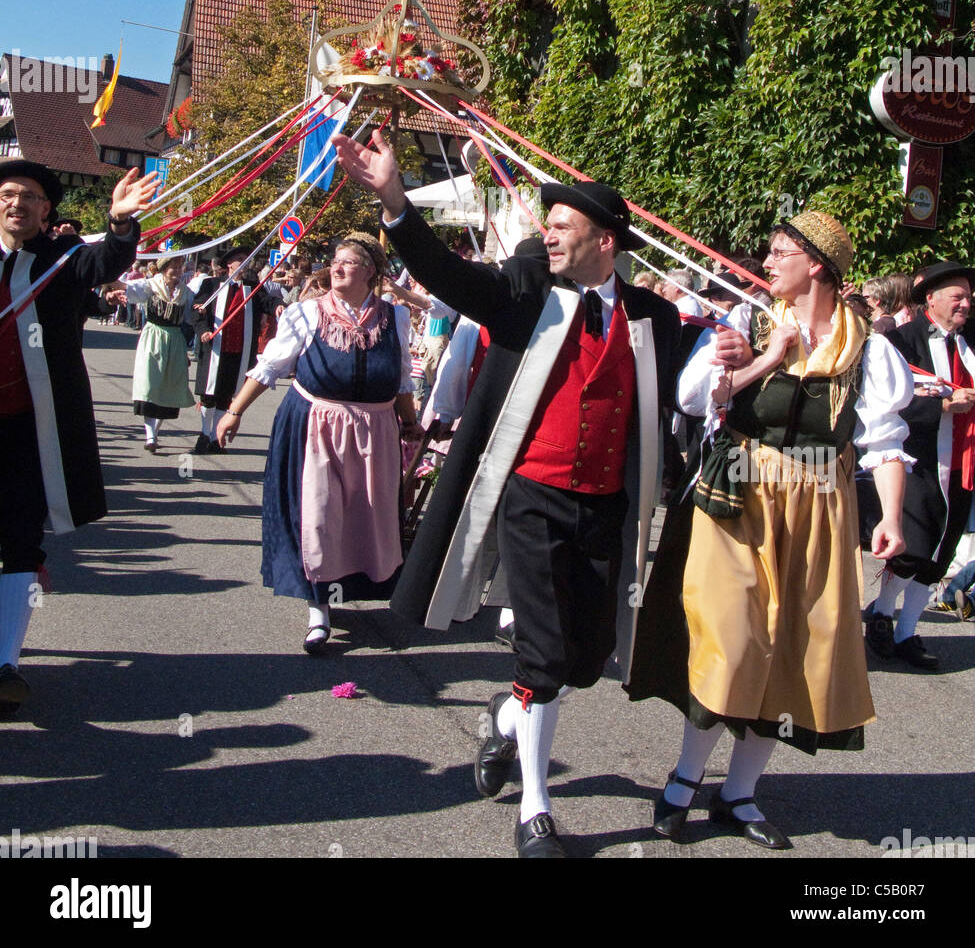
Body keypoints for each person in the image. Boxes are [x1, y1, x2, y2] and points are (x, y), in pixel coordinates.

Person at [333, 128, 681, 859]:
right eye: (547, 225)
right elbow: (450, 278)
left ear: (604, 242)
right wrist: (394, 200)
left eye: (561, 227)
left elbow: (682, 402)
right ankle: (535, 808)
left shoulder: (655, 318)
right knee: (544, 651)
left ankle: (504, 722)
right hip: (531, 496)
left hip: (607, 506)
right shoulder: (527, 295)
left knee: (584, 659)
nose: (546, 235)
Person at [626, 210, 912, 849]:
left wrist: (891, 518)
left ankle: (739, 794)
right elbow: (696, 398)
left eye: (782, 251)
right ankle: (683, 781)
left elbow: (885, 444)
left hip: (818, 505)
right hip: (739, 495)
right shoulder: (745, 323)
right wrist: (765, 360)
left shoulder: (870, 346)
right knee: (731, 637)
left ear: (818, 265)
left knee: (790, 646)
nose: (769, 260)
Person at [0, 158, 157, 714]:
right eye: (8, 194)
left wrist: (119, 223)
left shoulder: (62, 261)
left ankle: (6, 664)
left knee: (19, 538)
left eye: (30, 197)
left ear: (47, 211)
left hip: (30, 428)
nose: (17, 203)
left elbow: (106, 262)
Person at [215, 232, 417, 654]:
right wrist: (234, 411)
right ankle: (318, 611)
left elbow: (401, 379)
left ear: (371, 272)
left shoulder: (395, 318)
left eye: (348, 262)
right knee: (319, 515)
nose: (337, 267)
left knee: (364, 516)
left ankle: (353, 590)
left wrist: (411, 423)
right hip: (315, 426)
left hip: (374, 433)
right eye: (335, 260)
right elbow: (269, 366)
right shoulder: (307, 314)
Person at [871, 263, 975, 668]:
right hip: (920, 460)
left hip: (964, 460)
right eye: (957, 296)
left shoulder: (971, 339)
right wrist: (942, 405)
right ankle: (881, 615)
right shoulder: (901, 341)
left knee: (941, 551)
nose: (965, 303)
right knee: (913, 546)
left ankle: (907, 631)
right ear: (931, 299)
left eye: (968, 297)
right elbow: (886, 400)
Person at [190, 247, 267, 454]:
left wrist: (278, 306)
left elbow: (269, 302)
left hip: (239, 351)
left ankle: (215, 438)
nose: (244, 262)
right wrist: (204, 330)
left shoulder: (253, 287)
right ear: (229, 264)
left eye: (246, 259)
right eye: (239, 259)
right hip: (215, 350)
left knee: (225, 395)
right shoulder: (212, 285)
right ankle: (204, 434)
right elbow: (196, 312)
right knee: (209, 394)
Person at [125, 254, 195, 452]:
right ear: (164, 269)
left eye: (180, 267)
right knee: (150, 383)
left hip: (175, 339)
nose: (178, 271)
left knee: (170, 387)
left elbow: (190, 317)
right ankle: (150, 436)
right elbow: (131, 290)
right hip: (153, 336)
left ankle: (155, 432)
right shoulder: (150, 286)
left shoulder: (186, 293)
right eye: (174, 267)